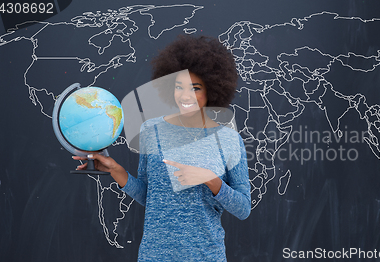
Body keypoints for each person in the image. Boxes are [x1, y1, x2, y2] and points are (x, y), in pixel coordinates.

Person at [73, 35, 251, 261]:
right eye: (179, 87)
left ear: (212, 89)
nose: (185, 96)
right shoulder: (151, 130)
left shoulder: (228, 140)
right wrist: (116, 171)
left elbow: (243, 208)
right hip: (154, 256)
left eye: (195, 88)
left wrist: (211, 179)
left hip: (205, 256)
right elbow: (151, 196)